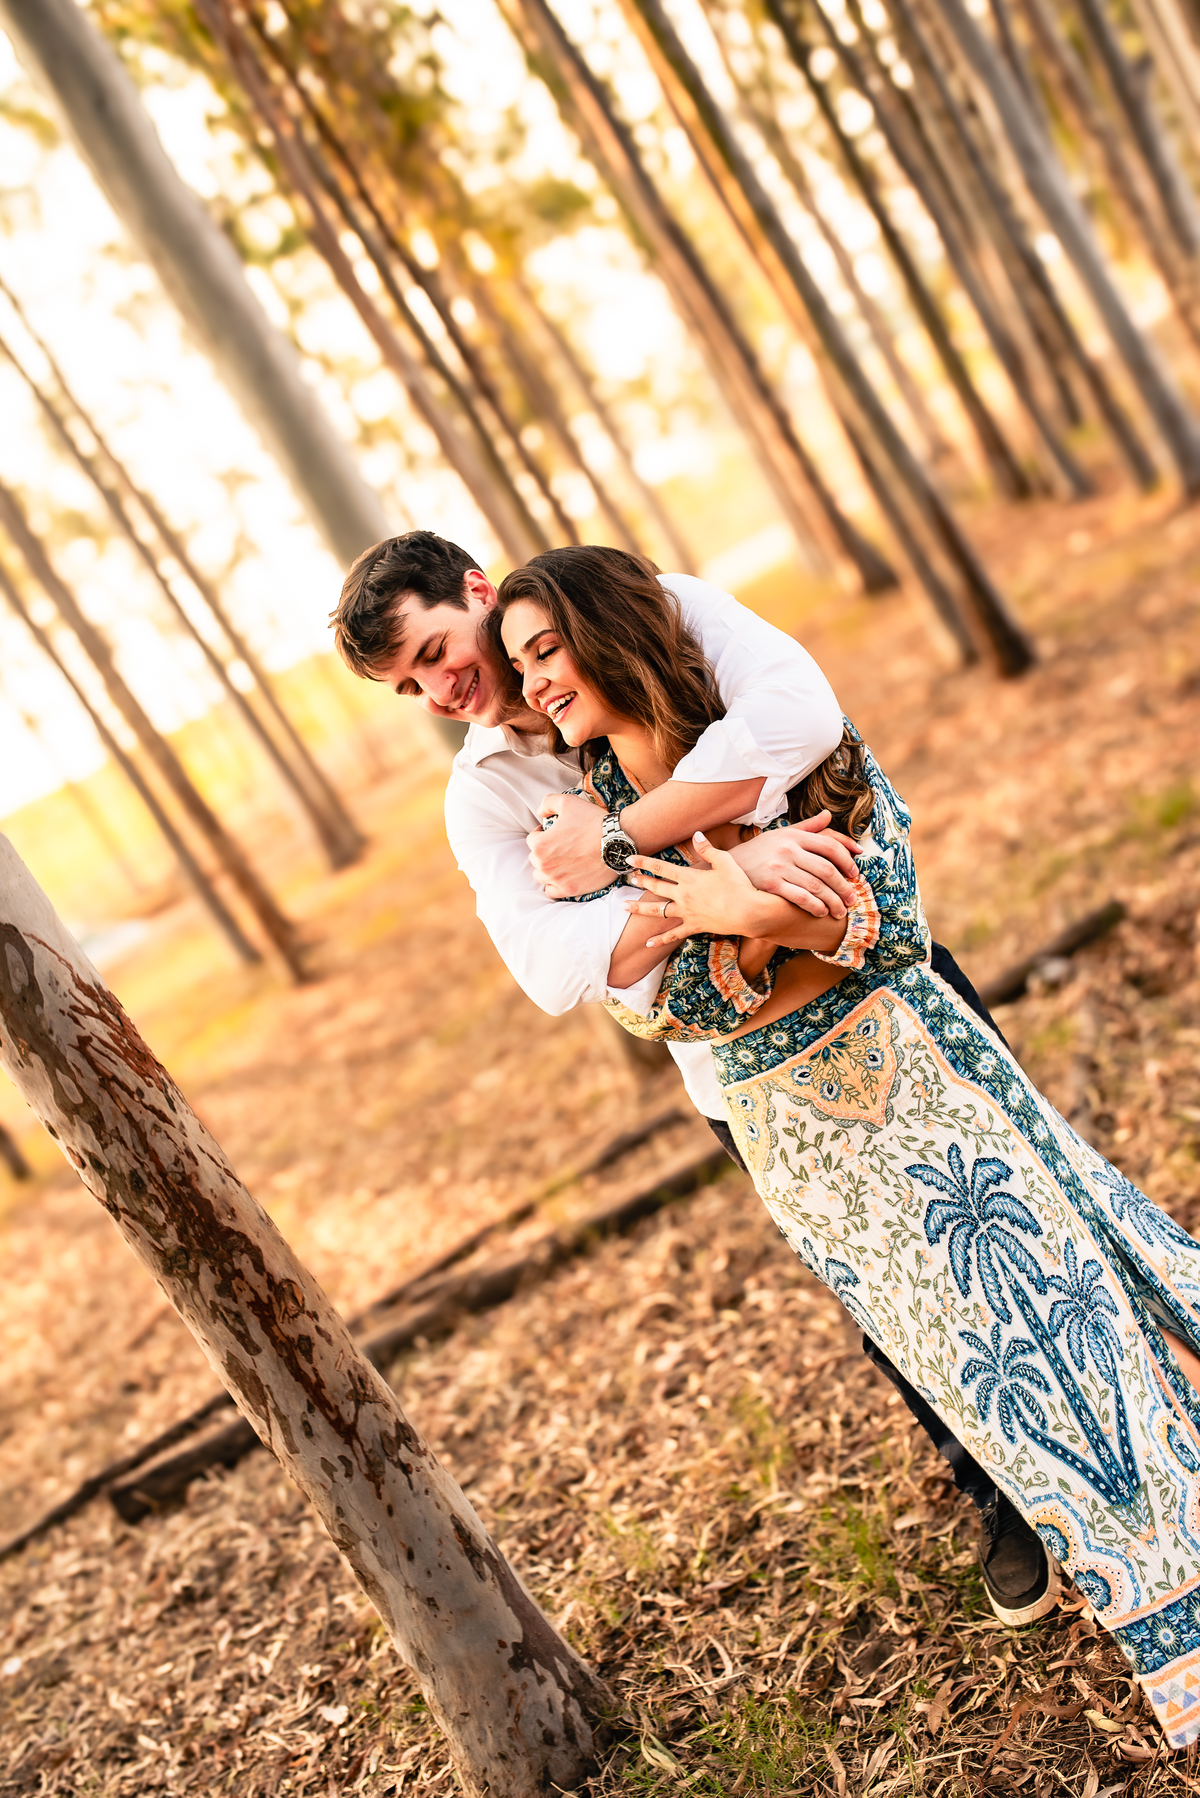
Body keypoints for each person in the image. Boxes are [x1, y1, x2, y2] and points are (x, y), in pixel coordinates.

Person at [495, 548, 1200, 1752]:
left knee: (1075, 1307)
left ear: (605, 628)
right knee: (984, 1378)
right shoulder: (577, 818)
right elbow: (658, 1009)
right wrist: (770, 920)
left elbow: (894, 915)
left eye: (547, 649)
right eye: (518, 666)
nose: (535, 683)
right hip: (799, 1148)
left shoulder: (767, 742)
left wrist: (736, 910)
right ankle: (1157, 1617)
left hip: (922, 1076)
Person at [330, 530, 1051, 1627]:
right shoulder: (482, 794)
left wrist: (620, 846)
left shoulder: (648, 607)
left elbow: (801, 718)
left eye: (435, 652)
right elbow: (556, 968)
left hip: (881, 981)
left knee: (1025, 1186)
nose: (440, 693)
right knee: (878, 1280)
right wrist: (735, 874)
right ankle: (1000, 1493)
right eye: (408, 687)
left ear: (476, 590)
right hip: (742, 1073)